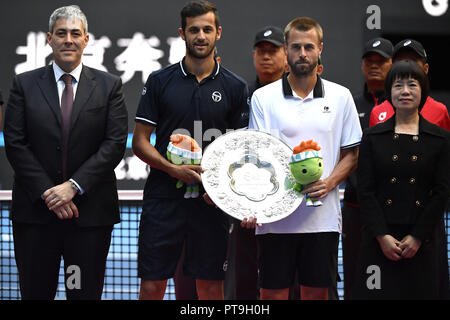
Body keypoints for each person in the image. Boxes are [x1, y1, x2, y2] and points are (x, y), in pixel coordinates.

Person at [3, 5, 128, 300]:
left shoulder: (110, 86)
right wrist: (50, 193)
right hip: (36, 216)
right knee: (36, 293)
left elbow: (113, 144)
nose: (68, 40)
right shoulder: (24, 84)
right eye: (61, 34)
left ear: (86, 40)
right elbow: (15, 142)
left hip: (89, 218)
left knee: (82, 294)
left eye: (75, 34)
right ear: (49, 39)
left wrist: (72, 187)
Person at [132, 0, 249, 300]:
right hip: (163, 201)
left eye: (207, 29)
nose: (200, 36)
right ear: (181, 33)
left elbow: (239, 151)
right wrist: (173, 170)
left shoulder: (235, 87)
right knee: (152, 285)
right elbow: (140, 142)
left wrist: (222, 189)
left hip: (210, 206)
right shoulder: (160, 81)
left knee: (210, 287)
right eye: (193, 29)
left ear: (218, 33)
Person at [246, 17, 362, 300]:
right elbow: (258, 155)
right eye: (296, 47)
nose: (302, 53)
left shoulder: (341, 97)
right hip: (274, 220)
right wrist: (251, 202)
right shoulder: (262, 98)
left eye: (309, 47)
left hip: (322, 221)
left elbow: (351, 154)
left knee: (316, 294)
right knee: (271, 295)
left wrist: (330, 182)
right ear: (285, 49)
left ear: (320, 48)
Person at [354, 60, 450, 299]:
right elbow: (365, 190)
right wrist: (382, 236)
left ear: (423, 91)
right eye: (398, 85)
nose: (405, 91)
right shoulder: (372, 136)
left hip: (422, 239)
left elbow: (442, 191)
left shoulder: (440, 138)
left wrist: (417, 236)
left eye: (412, 85)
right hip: (380, 239)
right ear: (390, 92)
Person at [228, 25, 287, 301]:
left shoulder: (297, 96)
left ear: (285, 55)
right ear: (253, 55)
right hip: (246, 207)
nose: (266, 56)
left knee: (289, 277)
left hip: (288, 206)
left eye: (273, 51)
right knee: (246, 275)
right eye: (261, 51)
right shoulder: (241, 95)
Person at [342, 37, 393, 300]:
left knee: (392, 278)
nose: (374, 66)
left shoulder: (402, 105)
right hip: (355, 207)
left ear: (392, 64)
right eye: (369, 61)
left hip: (391, 210)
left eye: (381, 61)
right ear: (362, 65)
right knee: (353, 274)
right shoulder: (350, 104)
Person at [370, 39, 450, 130]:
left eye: (413, 61)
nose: (406, 66)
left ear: (425, 69)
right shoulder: (378, 112)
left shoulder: (439, 111)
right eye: (401, 62)